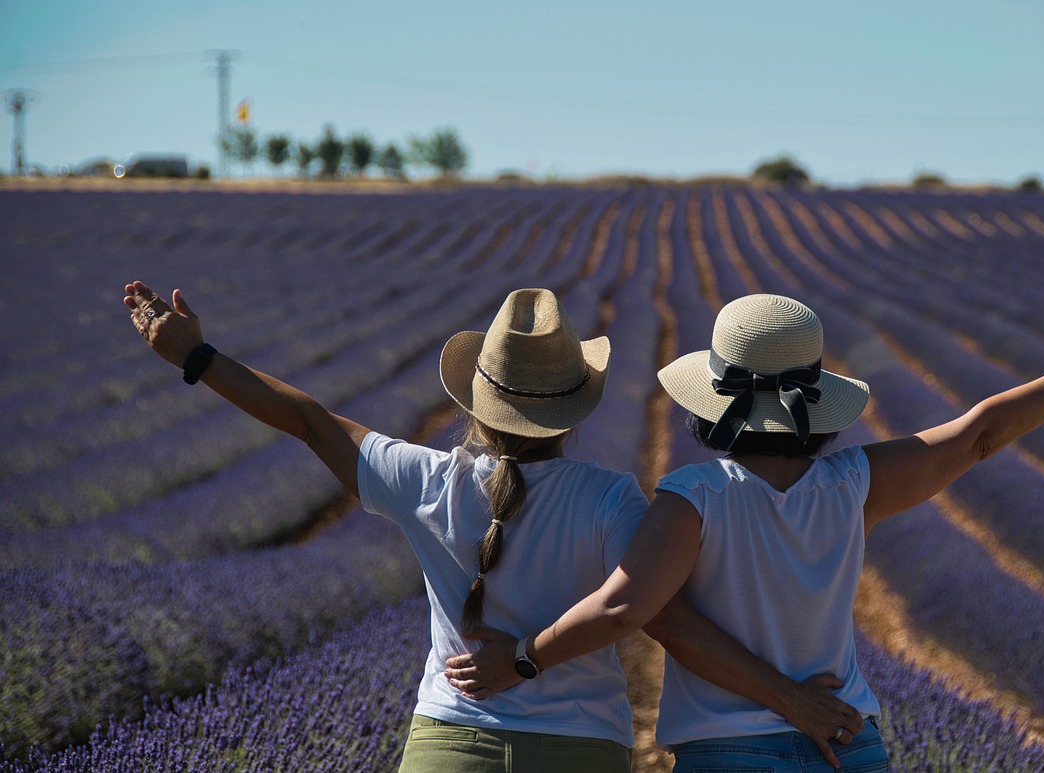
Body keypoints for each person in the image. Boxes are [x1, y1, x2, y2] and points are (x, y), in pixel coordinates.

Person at [122, 282, 851, 773]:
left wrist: (196, 356)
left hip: (451, 743)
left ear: (474, 395)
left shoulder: (424, 479)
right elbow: (661, 614)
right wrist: (789, 693)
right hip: (580, 750)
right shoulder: (612, 498)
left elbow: (311, 420)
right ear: (575, 403)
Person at [444, 293, 1044, 772]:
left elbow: (627, 609)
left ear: (709, 399)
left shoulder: (693, 496)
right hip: (848, 744)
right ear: (816, 401)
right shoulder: (852, 482)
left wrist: (526, 661)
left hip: (730, 751)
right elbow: (979, 434)